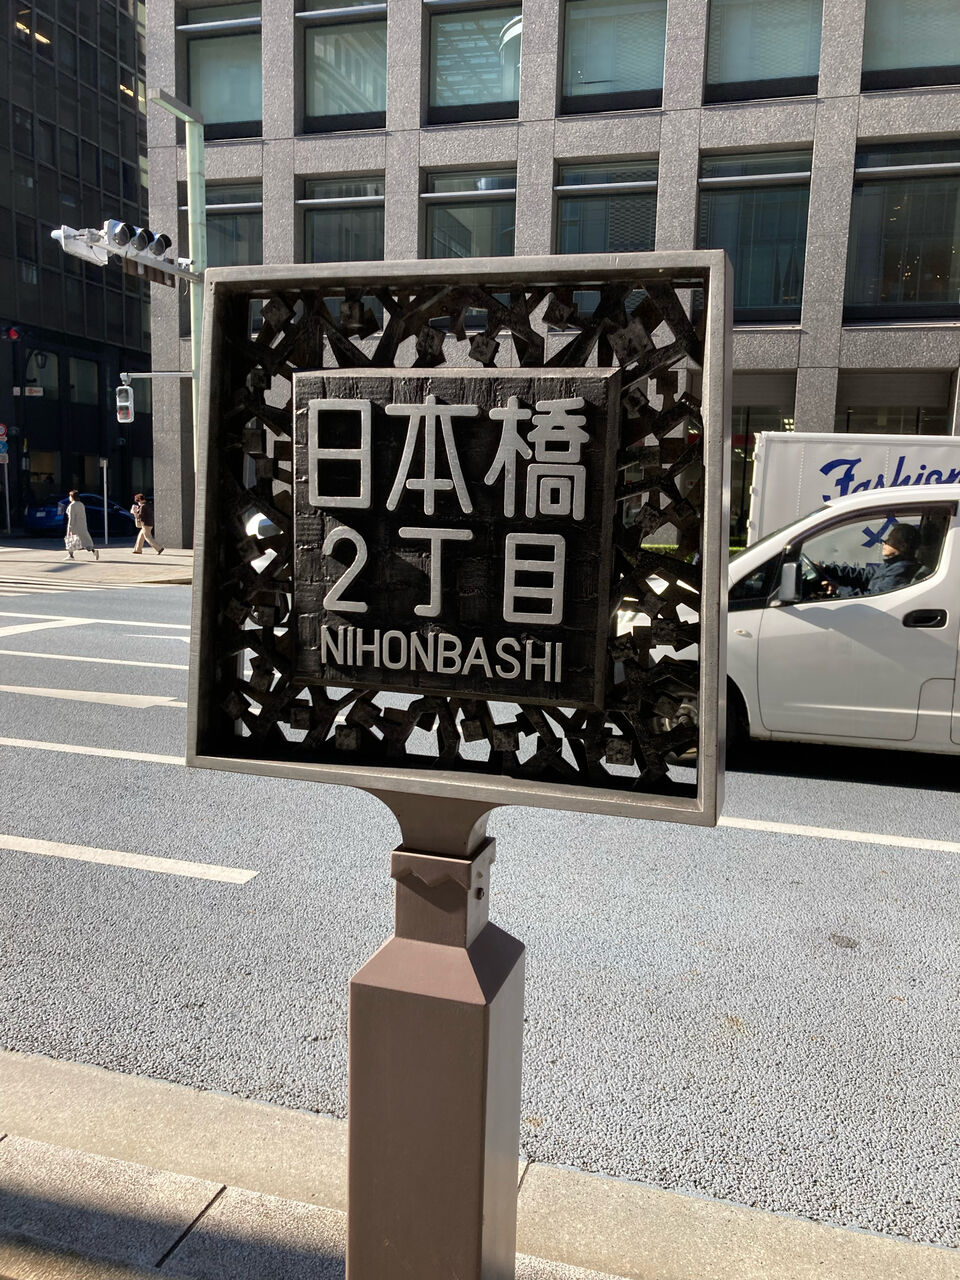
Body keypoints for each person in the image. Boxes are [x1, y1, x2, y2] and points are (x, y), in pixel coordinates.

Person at [820, 523, 921, 597]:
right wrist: (827, 568)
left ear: (903, 546)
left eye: (890, 540)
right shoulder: (893, 565)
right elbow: (864, 574)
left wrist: (838, 590)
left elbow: (875, 598)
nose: (884, 543)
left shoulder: (901, 570)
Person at [64, 491, 99, 561]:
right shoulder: (81, 504)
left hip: (75, 526)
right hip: (82, 525)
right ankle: (93, 551)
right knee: (85, 540)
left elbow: (71, 517)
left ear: (72, 497)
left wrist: (70, 527)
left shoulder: (72, 505)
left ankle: (71, 555)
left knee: (70, 540)